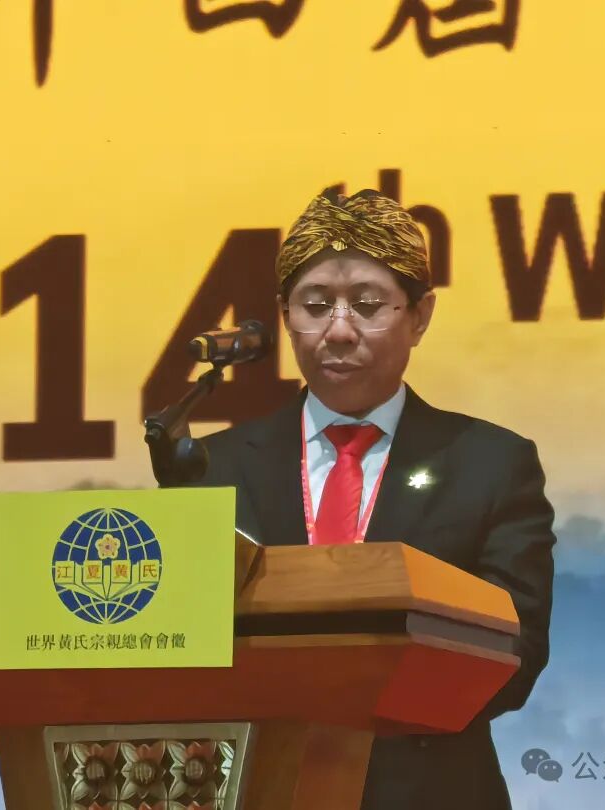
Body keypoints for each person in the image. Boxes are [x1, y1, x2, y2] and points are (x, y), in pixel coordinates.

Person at [198, 187, 556, 810]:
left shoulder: (490, 465)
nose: (338, 331)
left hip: (430, 790)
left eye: (367, 305)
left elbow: (513, 651)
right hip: (257, 789)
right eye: (315, 306)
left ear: (420, 316)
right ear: (284, 315)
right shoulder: (214, 468)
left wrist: (351, 704)